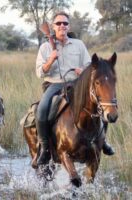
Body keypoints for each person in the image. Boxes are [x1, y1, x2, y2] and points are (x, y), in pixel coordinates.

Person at [35, 11, 114, 166]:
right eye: (58, 23)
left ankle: (102, 141)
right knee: (42, 109)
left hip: (77, 84)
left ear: (68, 26)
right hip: (54, 84)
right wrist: (50, 60)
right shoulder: (45, 47)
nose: (62, 26)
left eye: (65, 23)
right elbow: (39, 72)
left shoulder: (78, 44)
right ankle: (45, 148)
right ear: (53, 27)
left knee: (101, 103)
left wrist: (82, 71)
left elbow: (90, 66)